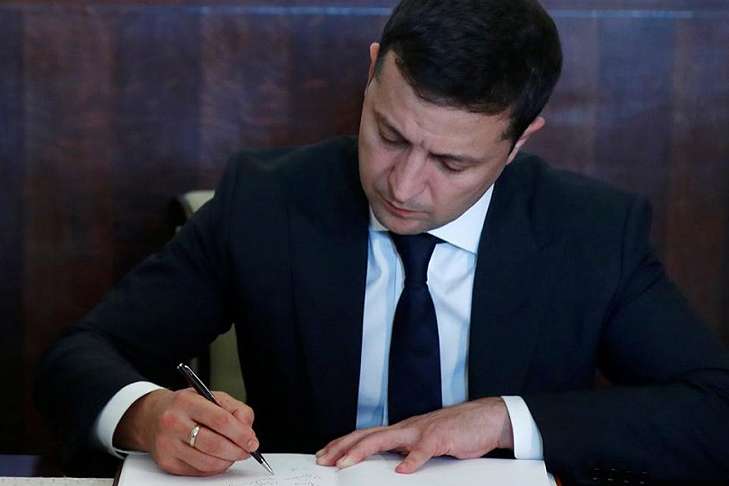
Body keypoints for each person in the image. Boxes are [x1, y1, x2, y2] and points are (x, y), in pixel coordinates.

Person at [35, 0, 729, 484]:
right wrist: (146, 414)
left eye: (451, 163)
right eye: (389, 135)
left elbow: (713, 410)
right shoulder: (267, 201)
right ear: (373, 73)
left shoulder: (591, 231)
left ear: (520, 140)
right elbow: (79, 356)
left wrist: (503, 420)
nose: (403, 184)